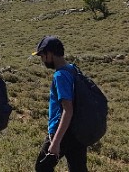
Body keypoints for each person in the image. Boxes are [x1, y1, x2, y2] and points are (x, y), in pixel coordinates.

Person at [33, 35, 88, 172]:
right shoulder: (72, 69)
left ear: (49, 54)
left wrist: (56, 142)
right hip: (78, 130)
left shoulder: (60, 75)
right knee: (78, 168)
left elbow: (67, 110)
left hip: (63, 130)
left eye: (42, 55)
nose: (42, 60)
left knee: (42, 167)